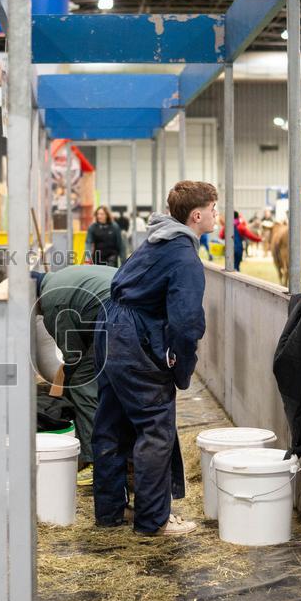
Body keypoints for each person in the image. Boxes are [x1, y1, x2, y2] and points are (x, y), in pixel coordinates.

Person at [92, 180, 217, 536]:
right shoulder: (183, 256)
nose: (216, 216)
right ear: (197, 215)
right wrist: (182, 369)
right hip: (133, 337)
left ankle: (111, 512)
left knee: (111, 426)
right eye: (213, 210)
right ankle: (152, 520)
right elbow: (186, 322)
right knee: (155, 429)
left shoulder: (156, 240)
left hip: (110, 327)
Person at [32, 264, 117, 480]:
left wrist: (60, 393)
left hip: (117, 316)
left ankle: (91, 460)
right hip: (131, 310)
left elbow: (73, 357)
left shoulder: (52, 301)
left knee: (82, 382)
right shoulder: (61, 277)